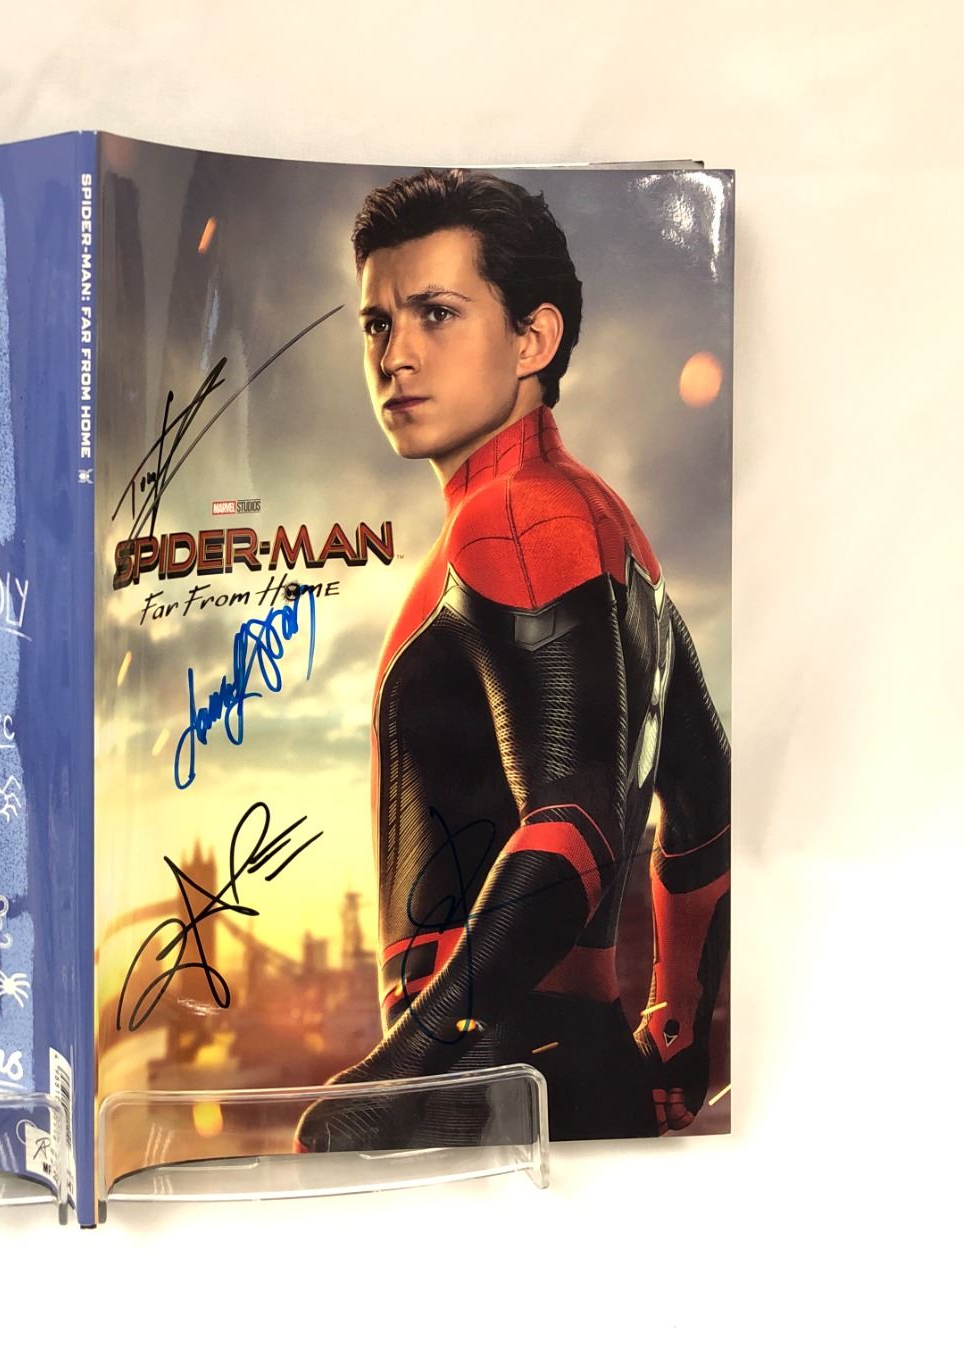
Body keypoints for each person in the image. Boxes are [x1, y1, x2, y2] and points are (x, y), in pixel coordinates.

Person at [295, 169, 730, 1149]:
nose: (396, 355)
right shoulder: (607, 532)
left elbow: (573, 824)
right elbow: (705, 806)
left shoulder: (514, 516)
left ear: (534, 339)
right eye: (377, 324)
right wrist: (677, 1023)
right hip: (563, 1063)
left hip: (491, 1076)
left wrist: (400, 1070)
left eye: (437, 314)